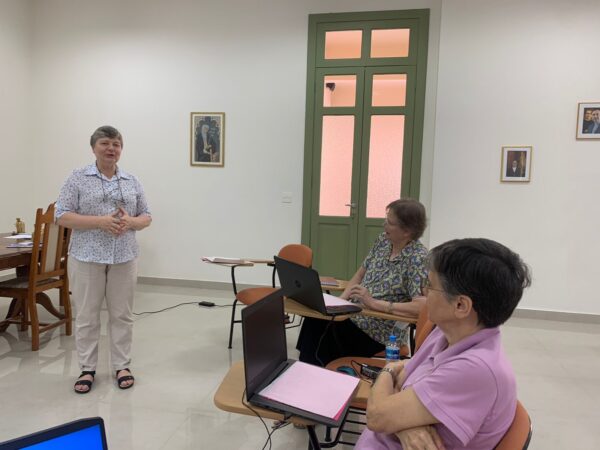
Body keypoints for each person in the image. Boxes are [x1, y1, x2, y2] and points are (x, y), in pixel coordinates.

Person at [356, 238, 531, 450]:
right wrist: (402, 425)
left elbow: (377, 415)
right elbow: (399, 385)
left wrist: (388, 370)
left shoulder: (474, 369)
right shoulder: (444, 333)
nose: (424, 293)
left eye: (430, 286)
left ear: (460, 305)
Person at [56, 125, 152, 394]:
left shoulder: (131, 180)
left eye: (116, 144)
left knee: (122, 315)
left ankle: (122, 366)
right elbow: (61, 215)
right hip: (86, 256)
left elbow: (146, 216)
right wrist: (100, 222)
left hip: (124, 257)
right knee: (87, 315)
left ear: (121, 149)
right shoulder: (77, 177)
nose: (111, 149)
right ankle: (87, 369)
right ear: (94, 148)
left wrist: (131, 221)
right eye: (105, 143)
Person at [296, 199, 428, 366]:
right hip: (354, 312)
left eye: (390, 222)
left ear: (407, 231)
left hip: (378, 329)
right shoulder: (383, 241)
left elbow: (422, 306)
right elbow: (359, 275)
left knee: (322, 329)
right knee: (316, 316)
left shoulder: (418, 258)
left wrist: (374, 303)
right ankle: (308, 368)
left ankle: (315, 370)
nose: (384, 225)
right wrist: (339, 302)